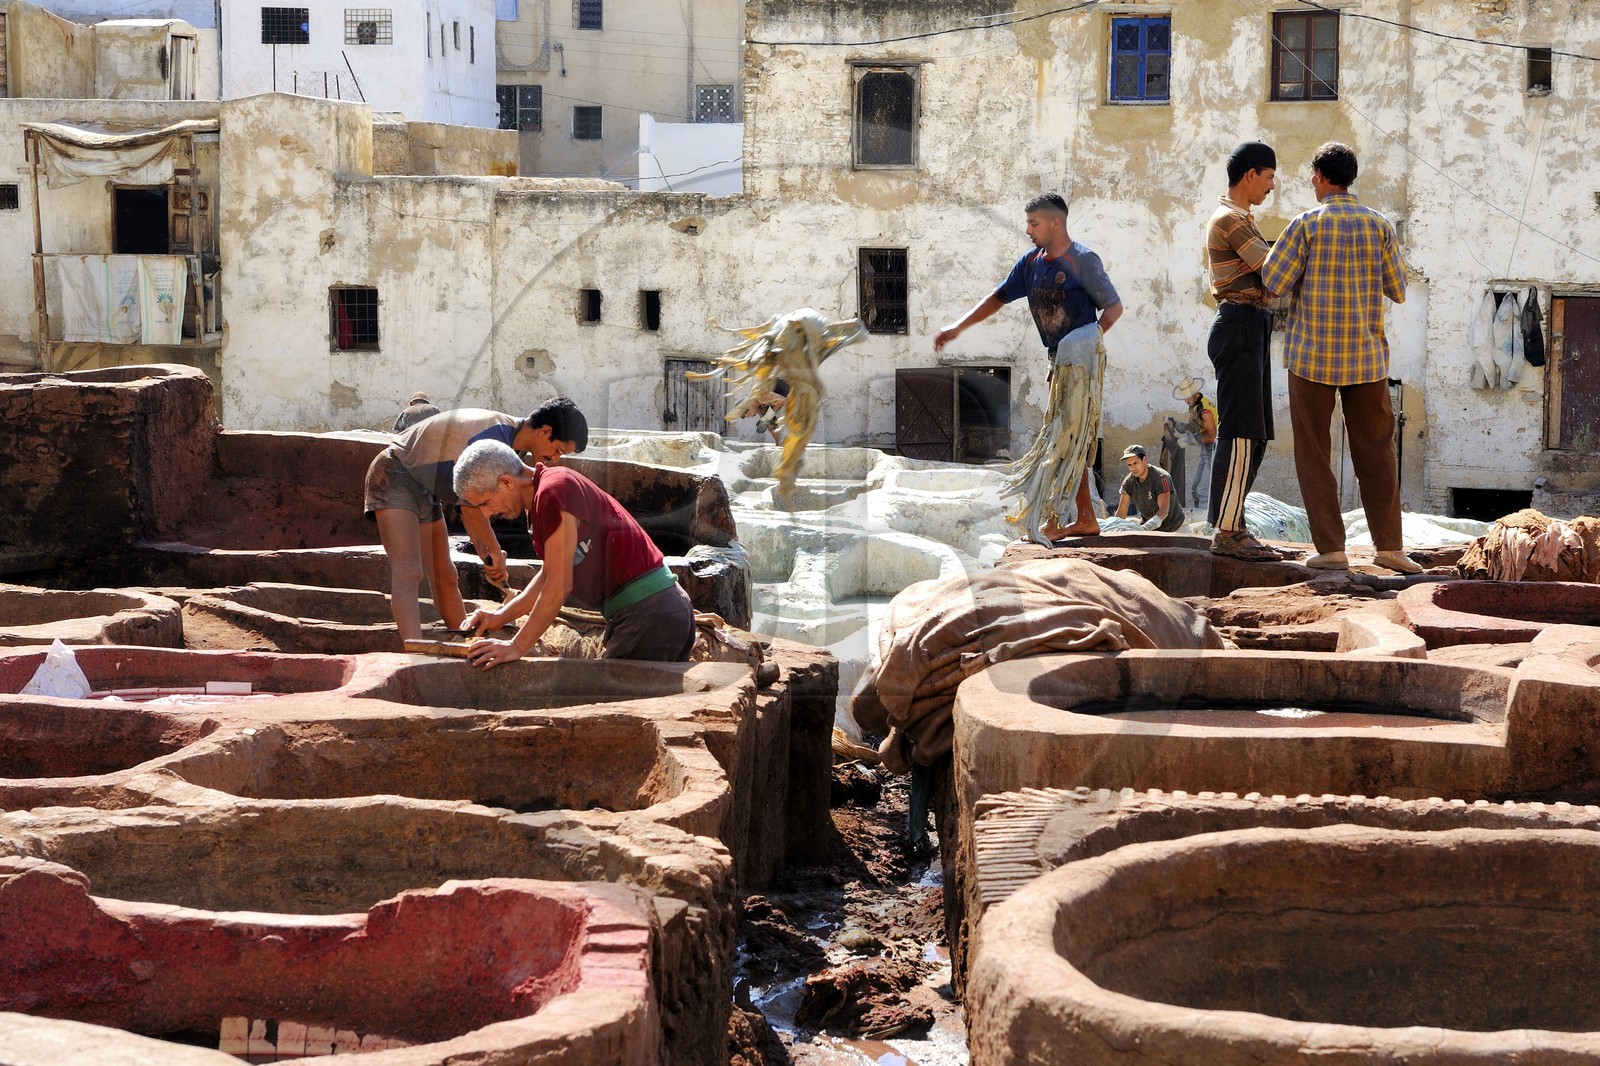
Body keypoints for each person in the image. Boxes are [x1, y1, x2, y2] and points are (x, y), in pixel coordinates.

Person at [1260, 142, 1421, 575]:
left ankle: (1331, 549)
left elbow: (1273, 282)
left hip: (1311, 358)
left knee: (1314, 454)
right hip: (1366, 360)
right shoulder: (1379, 224)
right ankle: (1390, 548)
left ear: (1319, 176)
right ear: (1350, 178)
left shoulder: (1305, 225)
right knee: (1378, 452)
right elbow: (1398, 289)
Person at [934, 192, 1123, 540]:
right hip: (1059, 363)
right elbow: (997, 297)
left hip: (1081, 367)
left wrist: (1084, 343)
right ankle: (1085, 518)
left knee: (1064, 440)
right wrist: (957, 327)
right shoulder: (1031, 263)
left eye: (1034, 223)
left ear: (1055, 223)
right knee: (1068, 440)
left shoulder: (1083, 261)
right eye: (1027, 223)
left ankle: (1055, 519)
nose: (1028, 230)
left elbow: (1113, 308)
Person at [363, 398, 588, 640]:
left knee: (445, 575)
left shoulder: (513, 447)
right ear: (545, 432)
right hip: (395, 472)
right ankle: (414, 648)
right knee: (409, 571)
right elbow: (471, 508)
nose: (555, 459)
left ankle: (466, 639)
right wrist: (493, 551)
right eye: (558, 450)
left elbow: (476, 506)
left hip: (426, 487)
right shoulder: (495, 436)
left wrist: (490, 555)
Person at [453, 439, 695, 664]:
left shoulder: (553, 491)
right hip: (653, 612)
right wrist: (499, 617)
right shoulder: (541, 499)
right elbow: (548, 574)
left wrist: (516, 646)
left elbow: (558, 586)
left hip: (649, 615)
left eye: (485, 503)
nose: (486, 514)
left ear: (506, 482)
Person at [1205, 140, 1284, 563]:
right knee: (1239, 434)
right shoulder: (1231, 220)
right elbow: (1274, 271)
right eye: (1269, 177)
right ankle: (1229, 530)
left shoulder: (1242, 219)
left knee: (1254, 434)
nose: (1272, 186)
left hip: (1251, 326)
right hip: (1239, 324)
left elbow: (1272, 279)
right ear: (1250, 174)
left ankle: (1231, 525)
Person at [1115, 444, 1185, 532]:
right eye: (1129, 465)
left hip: (1173, 526)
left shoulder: (1161, 478)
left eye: (1135, 463)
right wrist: (1114, 527)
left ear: (1144, 460)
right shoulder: (1129, 482)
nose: (1133, 468)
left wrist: (1146, 527)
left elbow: (1163, 511)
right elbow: (1121, 513)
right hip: (1148, 524)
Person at [1173, 376, 1218, 511]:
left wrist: (1190, 440)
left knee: (1203, 492)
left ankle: (1205, 519)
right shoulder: (1194, 405)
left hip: (1213, 451)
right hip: (1205, 451)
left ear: (1195, 393)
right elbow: (1197, 427)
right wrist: (1183, 427)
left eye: (1187, 397)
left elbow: (1213, 436)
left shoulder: (1205, 410)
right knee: (1195, 489)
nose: (1186, 400)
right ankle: (1199, 515)